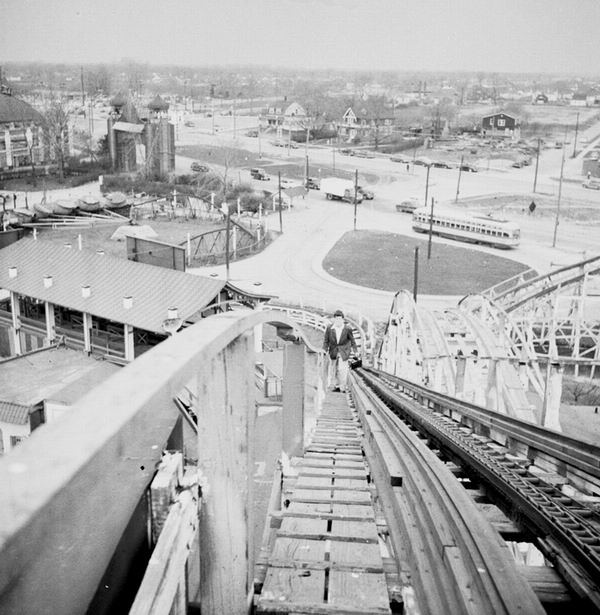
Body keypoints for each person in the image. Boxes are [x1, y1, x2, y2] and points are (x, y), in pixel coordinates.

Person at [322, 309, 357, 393]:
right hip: (333, 351)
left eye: (340, 319)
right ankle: (334, 386)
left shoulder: (347, 329)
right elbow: (326, 341)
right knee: (333, 369)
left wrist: (355, 351)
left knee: (342, 369)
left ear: (343, 319)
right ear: (334, 319)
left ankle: (342, 387)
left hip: (343, 351)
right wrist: (324, 350)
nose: (338, 320)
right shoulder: (330, 328)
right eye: (336, 319)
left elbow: (352, 340)